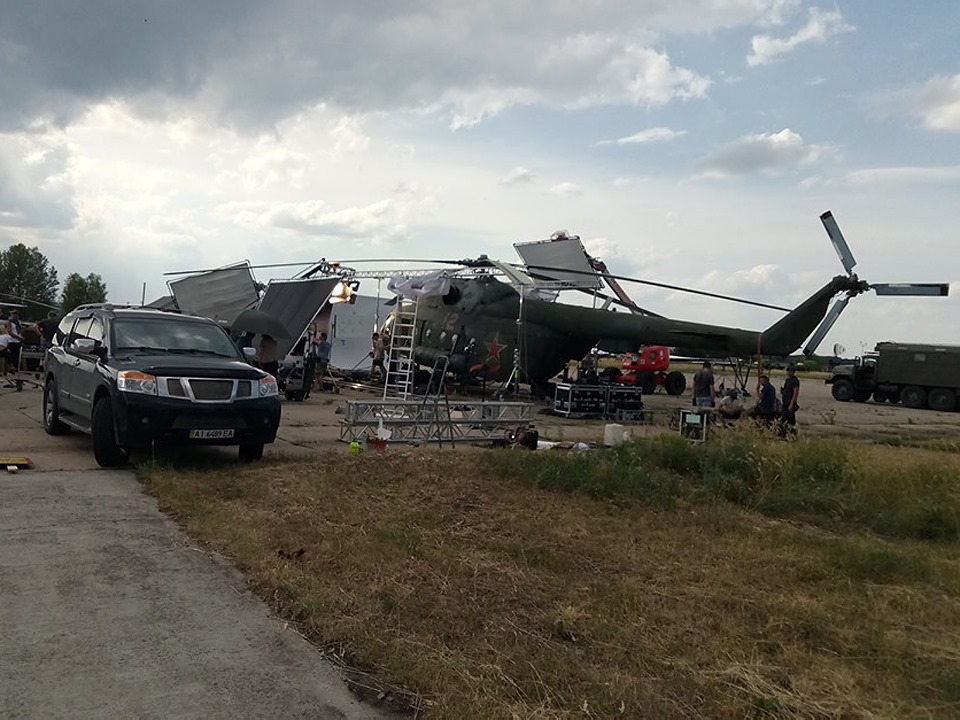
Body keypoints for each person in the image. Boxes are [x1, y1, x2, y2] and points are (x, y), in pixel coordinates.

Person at [780, 365, 801, 437]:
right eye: (788, 371)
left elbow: (795, 392)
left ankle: (792, 434)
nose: (789, 373)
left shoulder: (794, 381)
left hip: (790, 402)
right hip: (785, 401)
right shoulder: (787, 380)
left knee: (790, 420)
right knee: (784, 419)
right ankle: (784, 433)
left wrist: (792, 404)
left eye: (791, 371)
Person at [5, 310, 23, 378]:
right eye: (14, 314)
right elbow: (9, 332)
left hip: (18, 341)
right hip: (11, 340)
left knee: (17, 355)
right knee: (11, 355)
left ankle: (16, 368)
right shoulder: (9, 322)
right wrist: (18, 337)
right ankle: (10, 368)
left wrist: (21, 336)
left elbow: (20, 330)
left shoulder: (18, 322)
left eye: (16, 314)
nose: (15, 316)